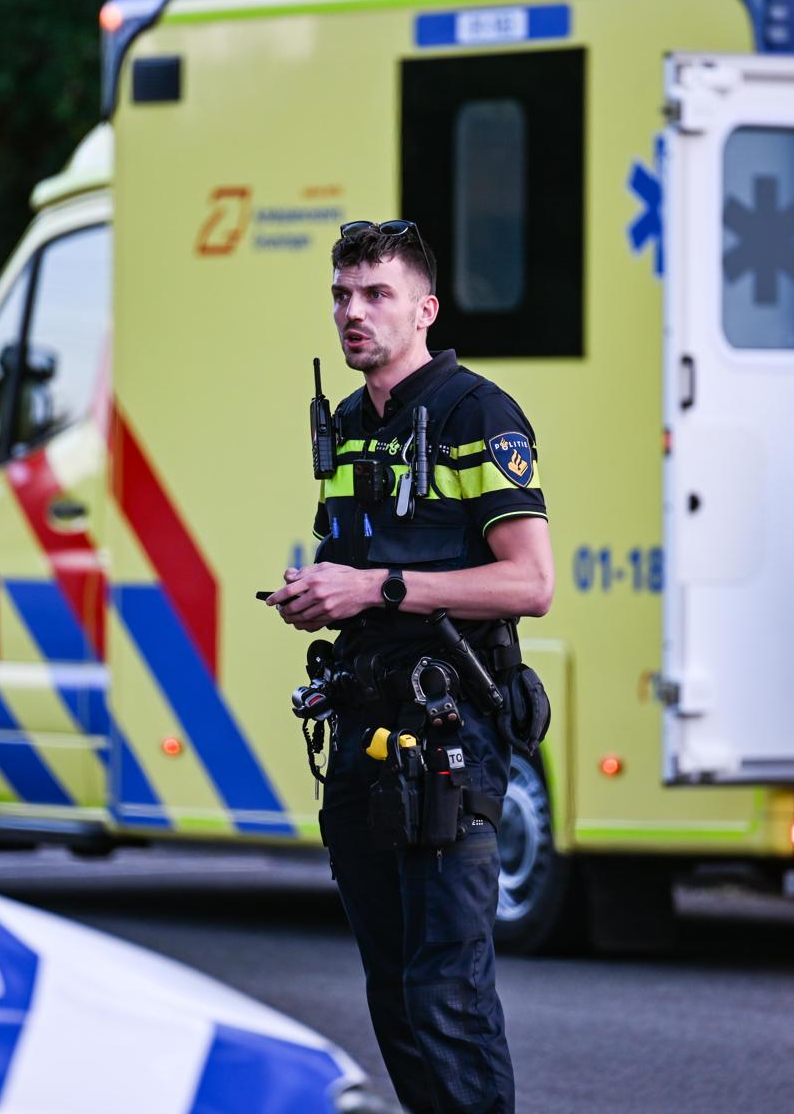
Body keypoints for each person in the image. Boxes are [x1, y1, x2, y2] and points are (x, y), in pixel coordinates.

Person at [264, 219, 553, 1113]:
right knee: (393, 993)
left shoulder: (477, 414)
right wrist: (320, 594)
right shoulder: (350, 424)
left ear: (425, 309)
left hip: (448, 731)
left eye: (376, 294)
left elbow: (531, 583)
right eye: (342, 295)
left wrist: (375, 588)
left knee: (444, 991)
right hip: (365, 728)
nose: (353, 312)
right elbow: (360, 565)